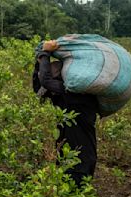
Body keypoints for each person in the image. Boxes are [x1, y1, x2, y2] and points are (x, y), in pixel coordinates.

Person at [33, 40, 100, 186]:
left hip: (80, 161)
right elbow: (39, 86)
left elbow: (46, 81)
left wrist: (44, 53)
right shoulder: (63, 95)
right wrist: (39, 61)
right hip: (66, 156)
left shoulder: (78, 94)